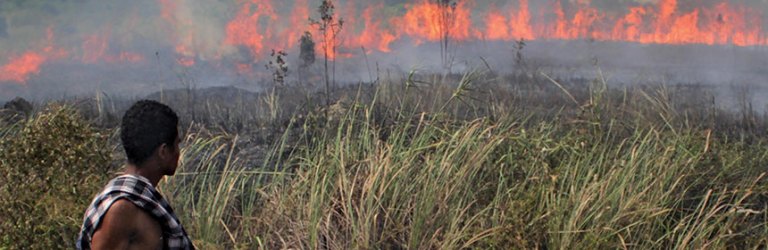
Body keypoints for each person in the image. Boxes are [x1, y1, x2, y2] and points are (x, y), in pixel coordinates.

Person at [77, 100, 193, 249]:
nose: (178, 152)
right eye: (177, 144)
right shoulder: (122, 209)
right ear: (163, 151)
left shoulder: (140, 200)